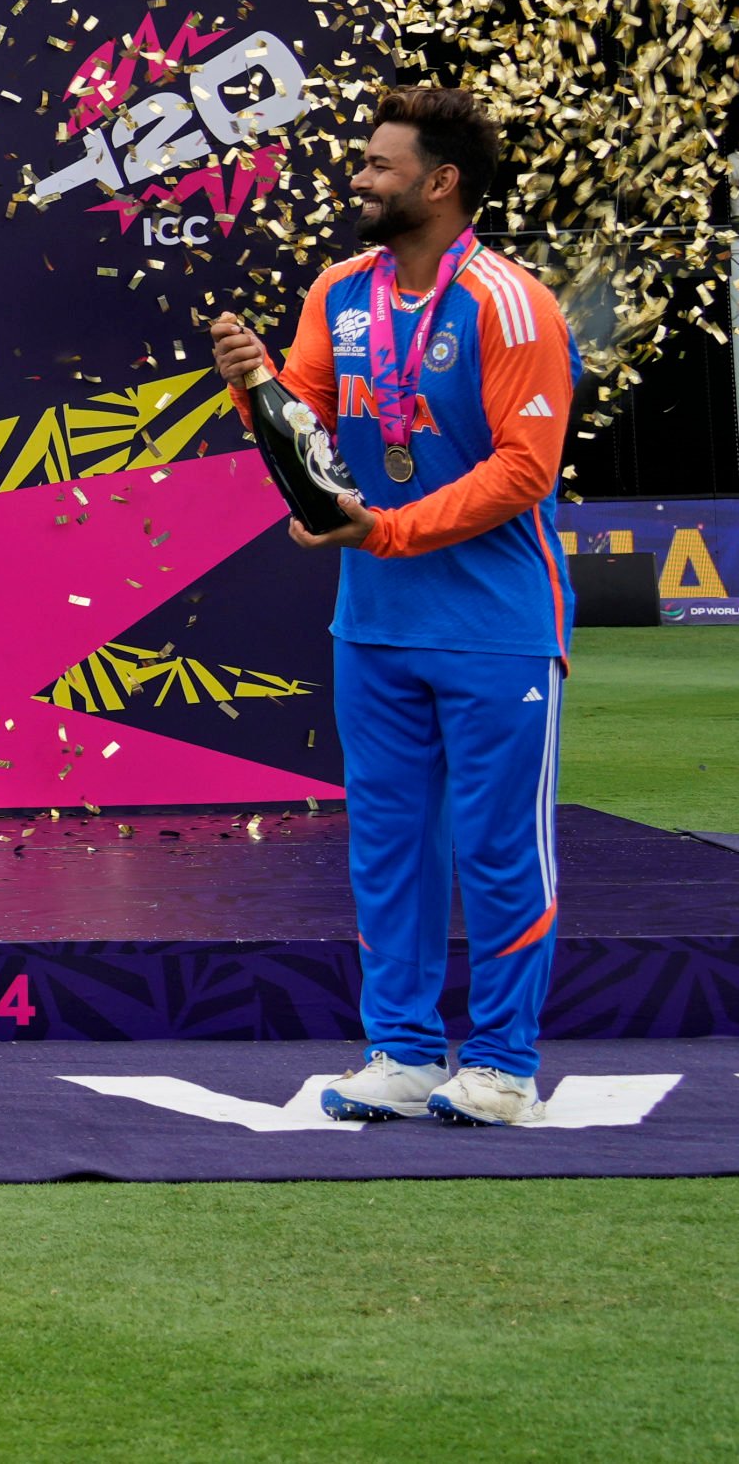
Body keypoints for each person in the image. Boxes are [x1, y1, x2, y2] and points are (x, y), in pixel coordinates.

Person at [211, 87, 573, 1128]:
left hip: (496, 625)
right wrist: (255, 391)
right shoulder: (339, 292)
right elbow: (305, 436)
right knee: (391, 846)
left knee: (503, 849)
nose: (359, 179)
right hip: (370, 624)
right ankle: (406, 1052)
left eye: (378, 164)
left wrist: (384, 529)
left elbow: (525, 469)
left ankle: (502, 1065)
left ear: (441, 182)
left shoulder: (509, 302)